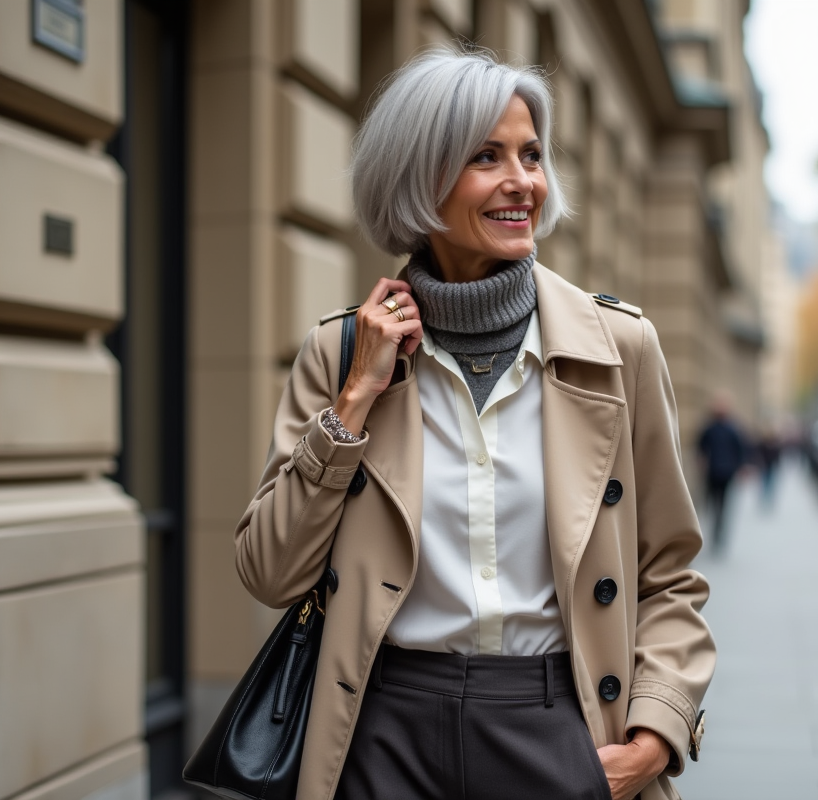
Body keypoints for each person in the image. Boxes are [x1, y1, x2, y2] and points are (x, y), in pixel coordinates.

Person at [234, 47, 714, 800]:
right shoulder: (340, 353)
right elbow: (269, 572)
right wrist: (354, 401)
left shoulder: (620, 348)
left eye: (531, 155)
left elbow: (670, 576)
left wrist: (655, 736)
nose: (523, 181)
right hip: (381, 736)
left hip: (558, 729)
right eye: (486, 157)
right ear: (419, 177)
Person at [697, 398, 746, 551]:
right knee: (712, 504)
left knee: (723, 505)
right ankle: (715, 532)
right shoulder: (709, 429)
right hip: (712, 473)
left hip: (727, 473)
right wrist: (702, 464)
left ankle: (720, 534)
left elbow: (740, 450)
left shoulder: (732, 429)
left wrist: (740, 468)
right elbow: (701, 448)